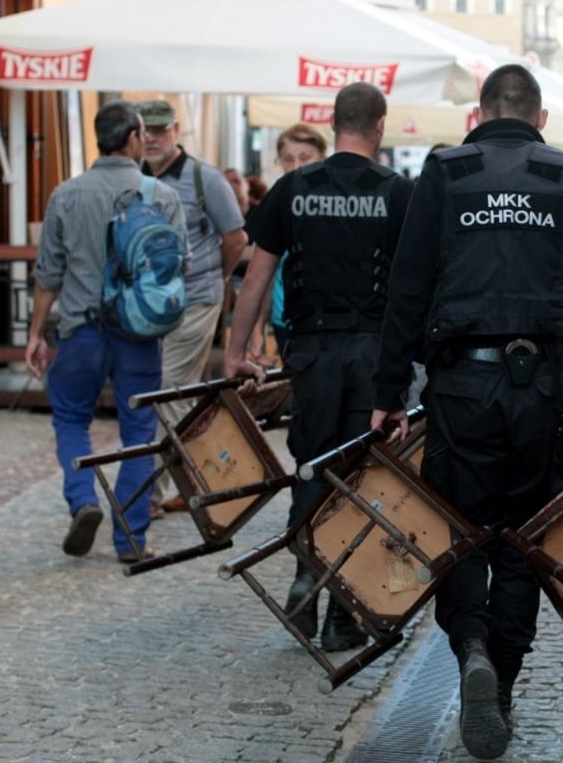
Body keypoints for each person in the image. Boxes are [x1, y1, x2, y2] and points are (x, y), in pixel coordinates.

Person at [369, 63, 563, 760]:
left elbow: (406, 290)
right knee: (523, 538)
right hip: (542, 390)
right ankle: (500, 685)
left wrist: (388, 393)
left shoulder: (445, 173)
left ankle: (472, 643)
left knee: (456, 528)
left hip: (461, 386)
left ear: (477, 117)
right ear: (541, 119)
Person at [225, 83, 413, 654]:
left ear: (333, 124)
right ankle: (341, 616)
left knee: (312, 468)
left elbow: (255, 279)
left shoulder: (294, 187)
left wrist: (236, 352)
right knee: (361, 478)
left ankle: (306, 577)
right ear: (380, 126)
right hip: (374, 353)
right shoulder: (398, 192)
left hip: (310, 351)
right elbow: (415, 289)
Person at [25, 100, 186, 563]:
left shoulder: (66, 194)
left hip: (80, 330)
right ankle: (131, 538)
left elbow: (48, 274)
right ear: (134, 137)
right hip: (138, 333)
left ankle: (83, 500)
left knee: (71, 418)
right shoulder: (162, 196)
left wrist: (35, 333)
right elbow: (179, 265)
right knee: (139, 431)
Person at [138, 99, 247, 513]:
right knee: (172, 392)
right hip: (145, 306)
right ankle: (197, 479)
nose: (152, 138)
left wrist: (217, 279)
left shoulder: (205, 179)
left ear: (175, 130)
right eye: (144, 131)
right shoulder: (134, 176)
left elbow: (235, 238)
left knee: (167, 389)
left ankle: (153, 495)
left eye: (159, 130)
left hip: (195, 299)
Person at [258, 124, 331, 358]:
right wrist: (258, 327)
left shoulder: (335, 202)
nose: (296, 166)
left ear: (322, 158)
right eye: (288, 159)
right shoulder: (277, 203)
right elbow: (263, 274)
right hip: (285, 319)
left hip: (330, 321)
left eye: (305, 158)